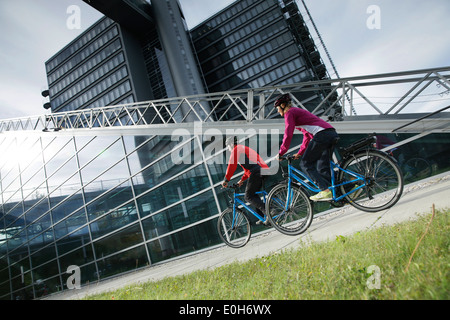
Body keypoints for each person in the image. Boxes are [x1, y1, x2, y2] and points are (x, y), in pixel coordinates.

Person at [274, 93, 339, 201]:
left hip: (322, 135)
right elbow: (307, 136)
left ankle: (325, 190)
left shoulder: (289, 113)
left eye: (277, 108)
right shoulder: (296, 113)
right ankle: (348, 188)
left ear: (282, 105)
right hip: (330, 133)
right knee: (322, 167)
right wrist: (300, 153)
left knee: (305, 164)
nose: (277, 111)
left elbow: (288, 134)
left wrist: (281, 152)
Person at [222, 136, 269, 224]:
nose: (228, 149)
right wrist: (241, 180)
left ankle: (269, 212)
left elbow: (231, 165)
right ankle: (264, 217)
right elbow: (248, 170)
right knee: (253, 194)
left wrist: (226, 180)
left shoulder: (236, 149)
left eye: (228, 147)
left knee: (248, 196)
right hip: (262, 170)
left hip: (257, 171)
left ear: (232, 144)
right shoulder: (242, 148)